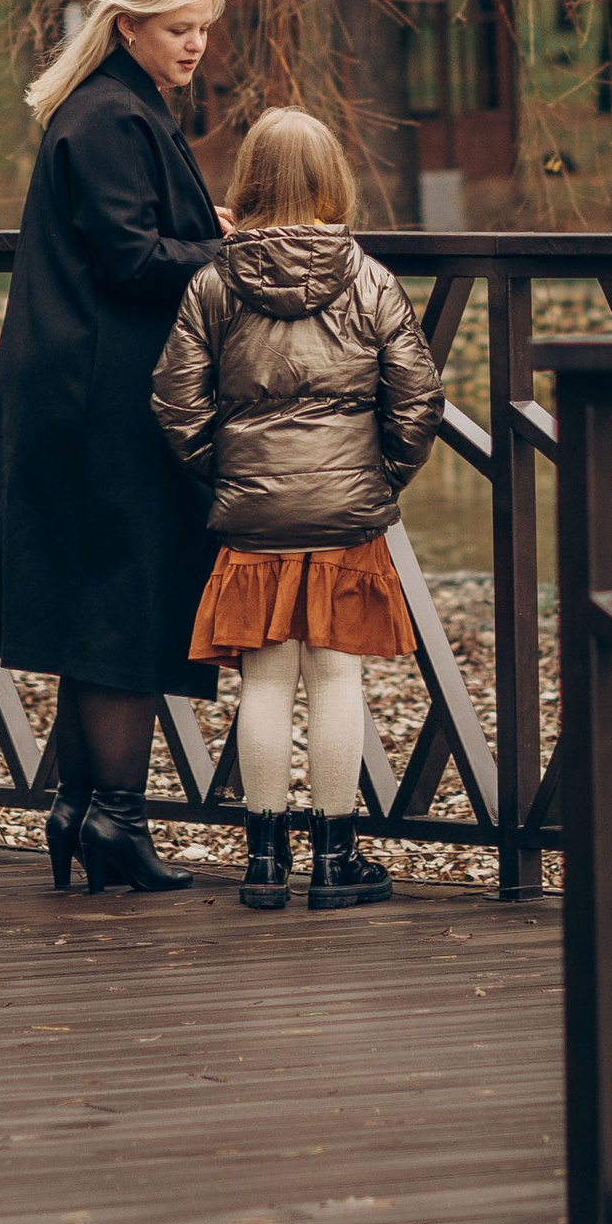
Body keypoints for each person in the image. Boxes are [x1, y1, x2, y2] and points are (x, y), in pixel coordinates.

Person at [0, 0, 234, 895]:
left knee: (94, 602)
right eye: (178, 29)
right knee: (124, 603)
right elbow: (131, 258)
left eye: (203, 29)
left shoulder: (115, 106)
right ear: (128, 27)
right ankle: (113, 817)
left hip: (79, 389)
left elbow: (132, 241)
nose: (196, 45)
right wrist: (229, 252)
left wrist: (204, 235)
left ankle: (82, 809)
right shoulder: (112, 116)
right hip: (103, 397)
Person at [151, 105, 441, 913]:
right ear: (332, 184)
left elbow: (175, 402)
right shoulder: (371, 278)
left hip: (252, 519)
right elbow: (418, 399)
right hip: (345, 515)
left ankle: (264, 864)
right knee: (336, 674)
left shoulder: (213, 282)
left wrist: (228, 476)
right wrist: (379, 478)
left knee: (266, 682)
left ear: (248, 186)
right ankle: (335, 861)